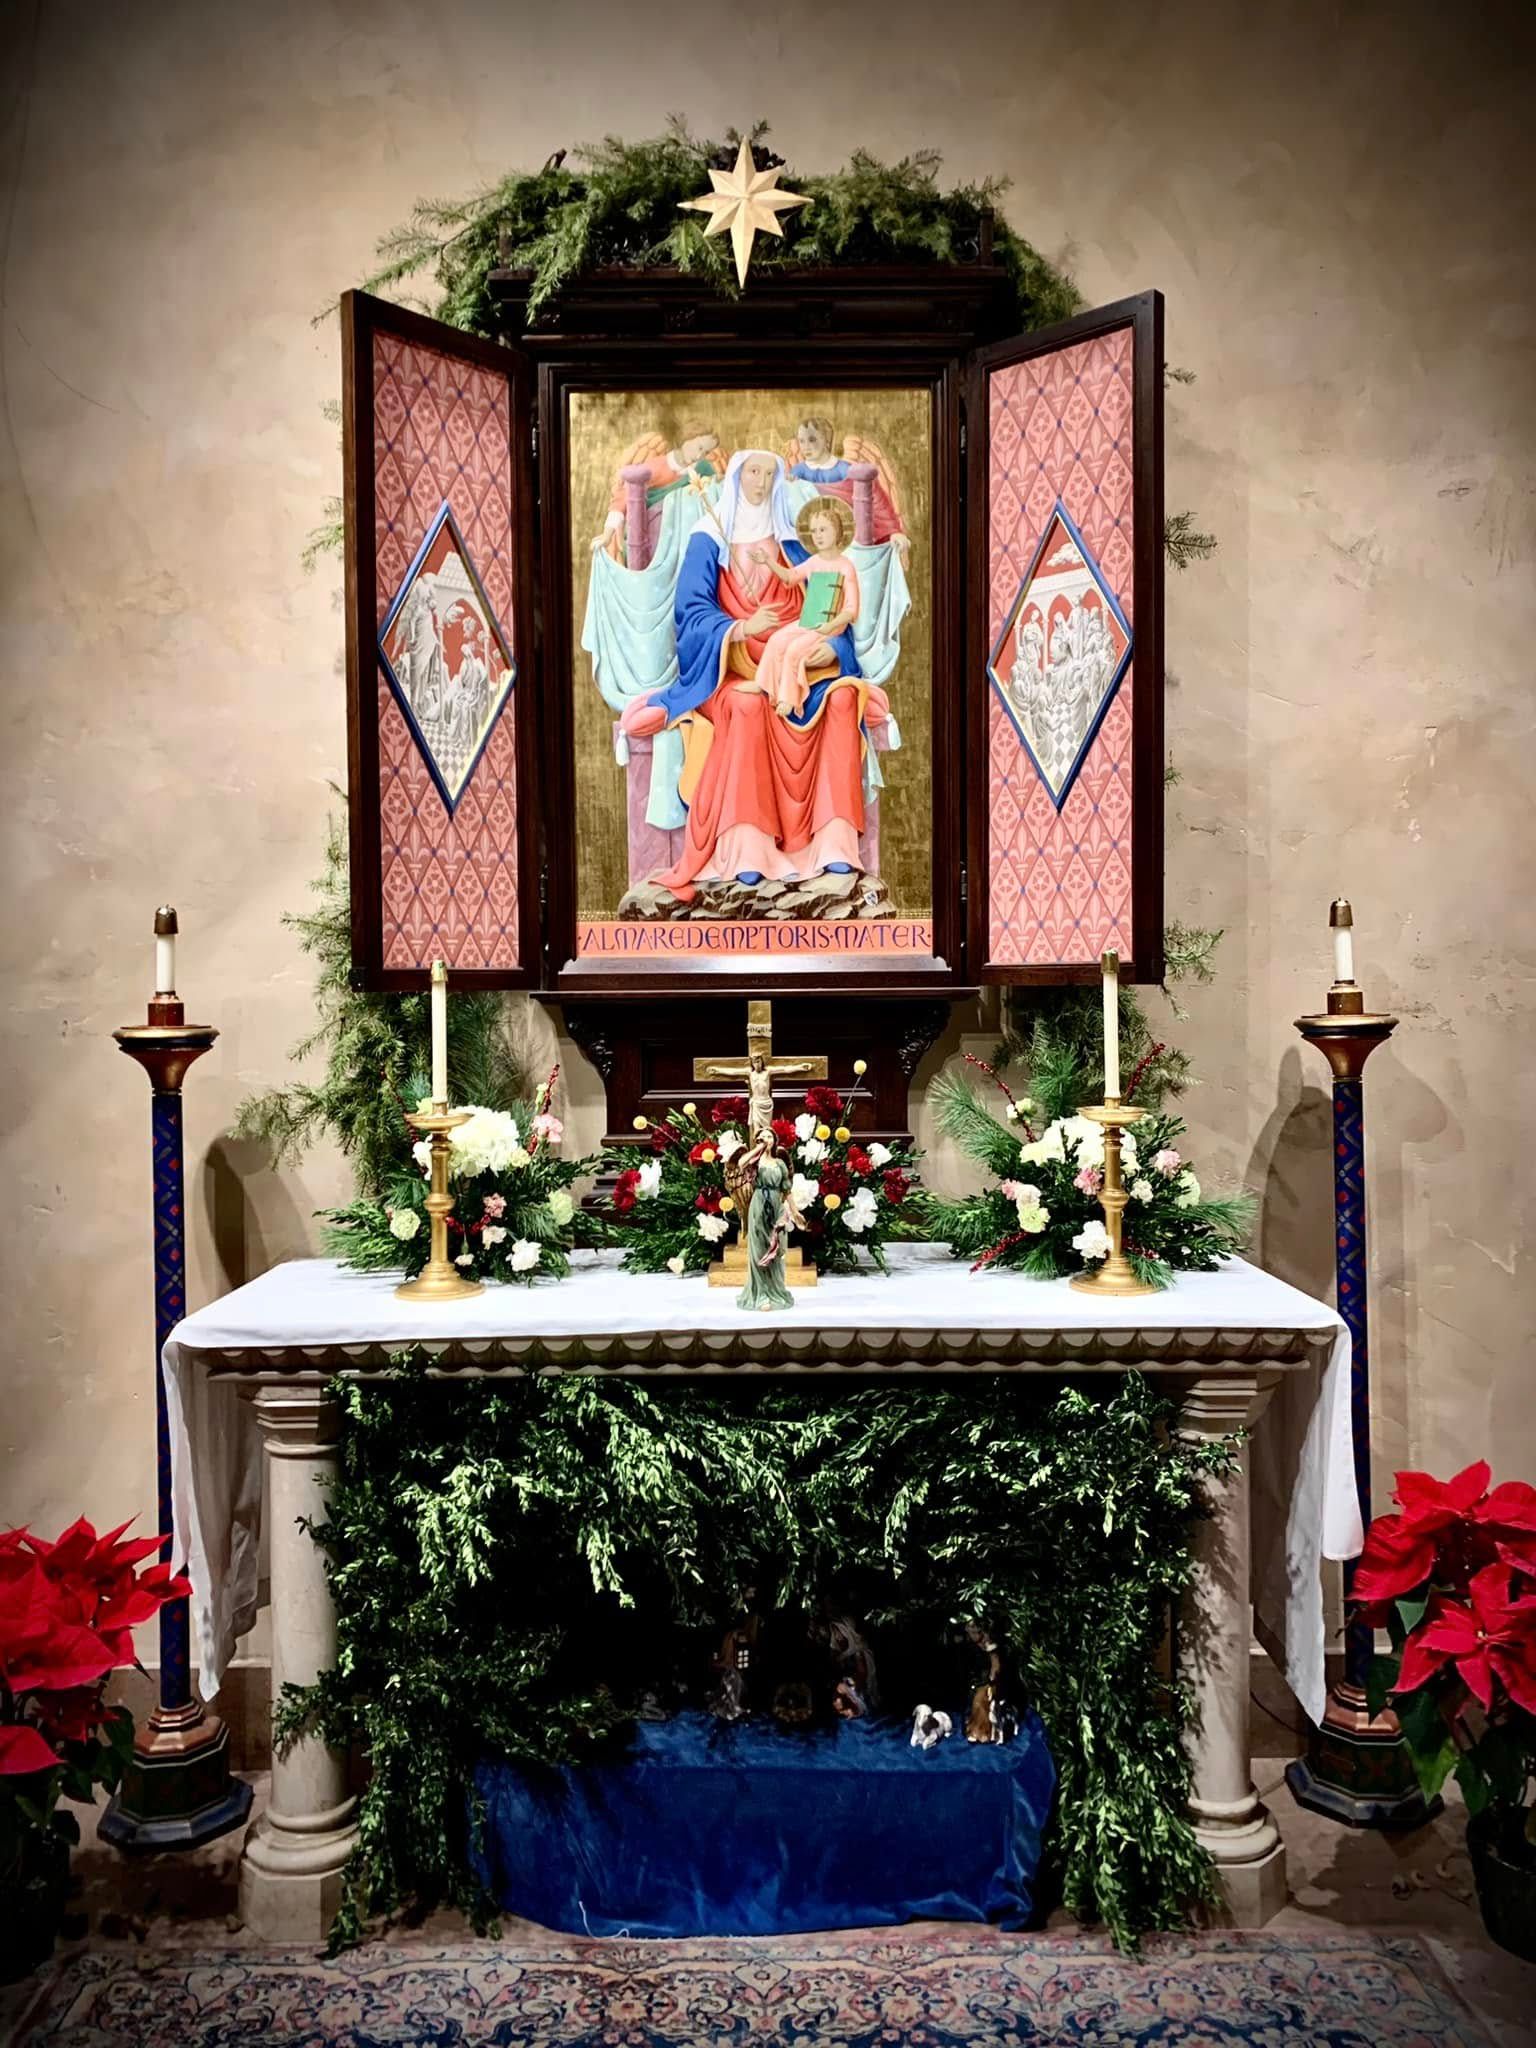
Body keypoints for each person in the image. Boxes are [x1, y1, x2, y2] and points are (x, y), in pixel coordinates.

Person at [617, 451, 890, 900]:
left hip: (800, 663)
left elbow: (832, 610)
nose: (761, 482)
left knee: (842, 699)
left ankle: (834, 844)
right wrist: (742, 628)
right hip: (731, 669)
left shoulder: (795, 545)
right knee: (747, 705)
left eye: (769, 473)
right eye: (753, 472)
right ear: (738, 476)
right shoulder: (708, 539)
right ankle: (749, 850)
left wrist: (830, 649)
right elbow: (690, 616)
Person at [750, 497, 860, 719]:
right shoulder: (813, 562)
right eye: (813, 531)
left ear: (837, 532)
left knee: (793, 651)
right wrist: (768, 562)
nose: (817, 535)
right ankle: (764, 685)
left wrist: (831, 625)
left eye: (822, 529)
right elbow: (790, 577)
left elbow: (852, 610)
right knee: (777, 640)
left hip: (829, 627)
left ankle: (789, 700)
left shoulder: (846, 566)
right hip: (808, 621)